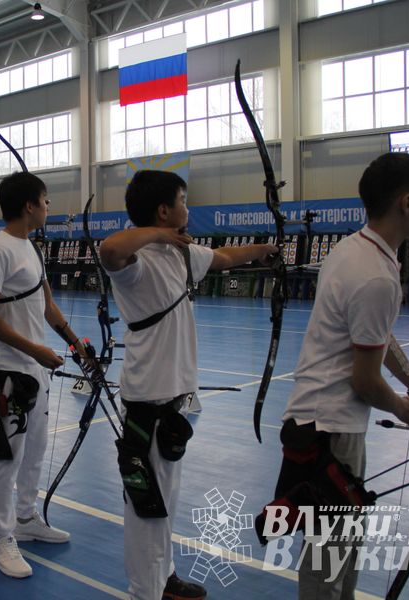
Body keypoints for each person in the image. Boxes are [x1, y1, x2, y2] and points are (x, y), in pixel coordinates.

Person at [273, 152, 409, 600]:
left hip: (324, 425)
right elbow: (364, 382)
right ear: (406, 202)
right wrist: (405, 408)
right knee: (329, 559)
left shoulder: (355, 249)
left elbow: (378, 339)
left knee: (342, 549)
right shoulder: (375, 276)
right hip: (330, 431)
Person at [99, 169, 277, 600]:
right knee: (146, 504)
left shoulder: (183, 254)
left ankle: (164, 576)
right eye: (182, 200)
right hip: (146, 398)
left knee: (166, 500)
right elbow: (109, 250)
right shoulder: (137, 263)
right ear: (163, 211)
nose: (188, 208)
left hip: (173, 402)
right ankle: (145, 590)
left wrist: (268, 249)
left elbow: (223, 259)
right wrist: (157, 234)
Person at [0, 172, 91, 579]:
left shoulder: (30, 248)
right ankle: (0, 540)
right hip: (9, 373)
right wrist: (35, 350)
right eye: (45, 200)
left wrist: (77, 345)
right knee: (6, 459)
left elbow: (48, 308)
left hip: (34, 371)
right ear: (28, 205)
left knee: (35, 452)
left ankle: (25, 519)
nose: (48, 207)